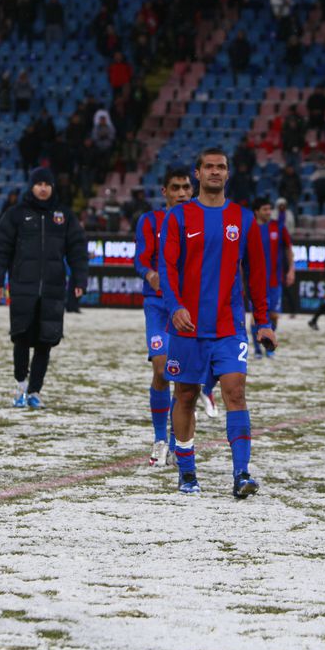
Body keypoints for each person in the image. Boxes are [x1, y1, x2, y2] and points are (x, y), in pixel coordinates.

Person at [159, 148, 274, 496]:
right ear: (197, 174)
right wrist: (175, 305)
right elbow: (167, 268)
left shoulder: (244, 219)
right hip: (187, 327)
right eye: (208, 167)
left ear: (228, 173)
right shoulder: (179, 217)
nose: (215, 172)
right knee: (185, 396)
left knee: (235, 393)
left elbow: (257, 274)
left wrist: (264, 322)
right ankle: (188, 472)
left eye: (221, 167)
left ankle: (241, 473)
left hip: (228, 326)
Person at [133, 167, 216, 466]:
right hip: (158, 304)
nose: (182, 193)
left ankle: (177, 438)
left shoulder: (205, 219)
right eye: (175, 188)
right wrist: (151, 273)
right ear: (164, 192)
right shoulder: (150, 221)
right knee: (160, 370)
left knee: (183, 378)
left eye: (186, 187)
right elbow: (140, 259)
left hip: (191, 305)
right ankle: (159, 440)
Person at [0, 167, 88, 408]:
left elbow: (77, 250)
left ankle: (35, 392)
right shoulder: (15, 215)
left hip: (53, 291)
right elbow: (1, 249)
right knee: (21, 338)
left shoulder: (64, 216)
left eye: (47, 184)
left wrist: (79, 279)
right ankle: (20, 387)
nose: (43, 188)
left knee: (46, 341)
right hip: (23, 288)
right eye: (38, 184)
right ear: (31, 187)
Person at [251, 196, 294, 358]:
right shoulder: (250, 228)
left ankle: (268, 346)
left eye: (270, 209)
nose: (269, 212)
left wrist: (291, 270)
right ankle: (256, 350)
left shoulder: (278, 227)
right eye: (265, 209)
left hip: (275, 280)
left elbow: (289, 249)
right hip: (255, 282)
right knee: (256, 317)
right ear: (257, 212)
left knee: (274, 315)